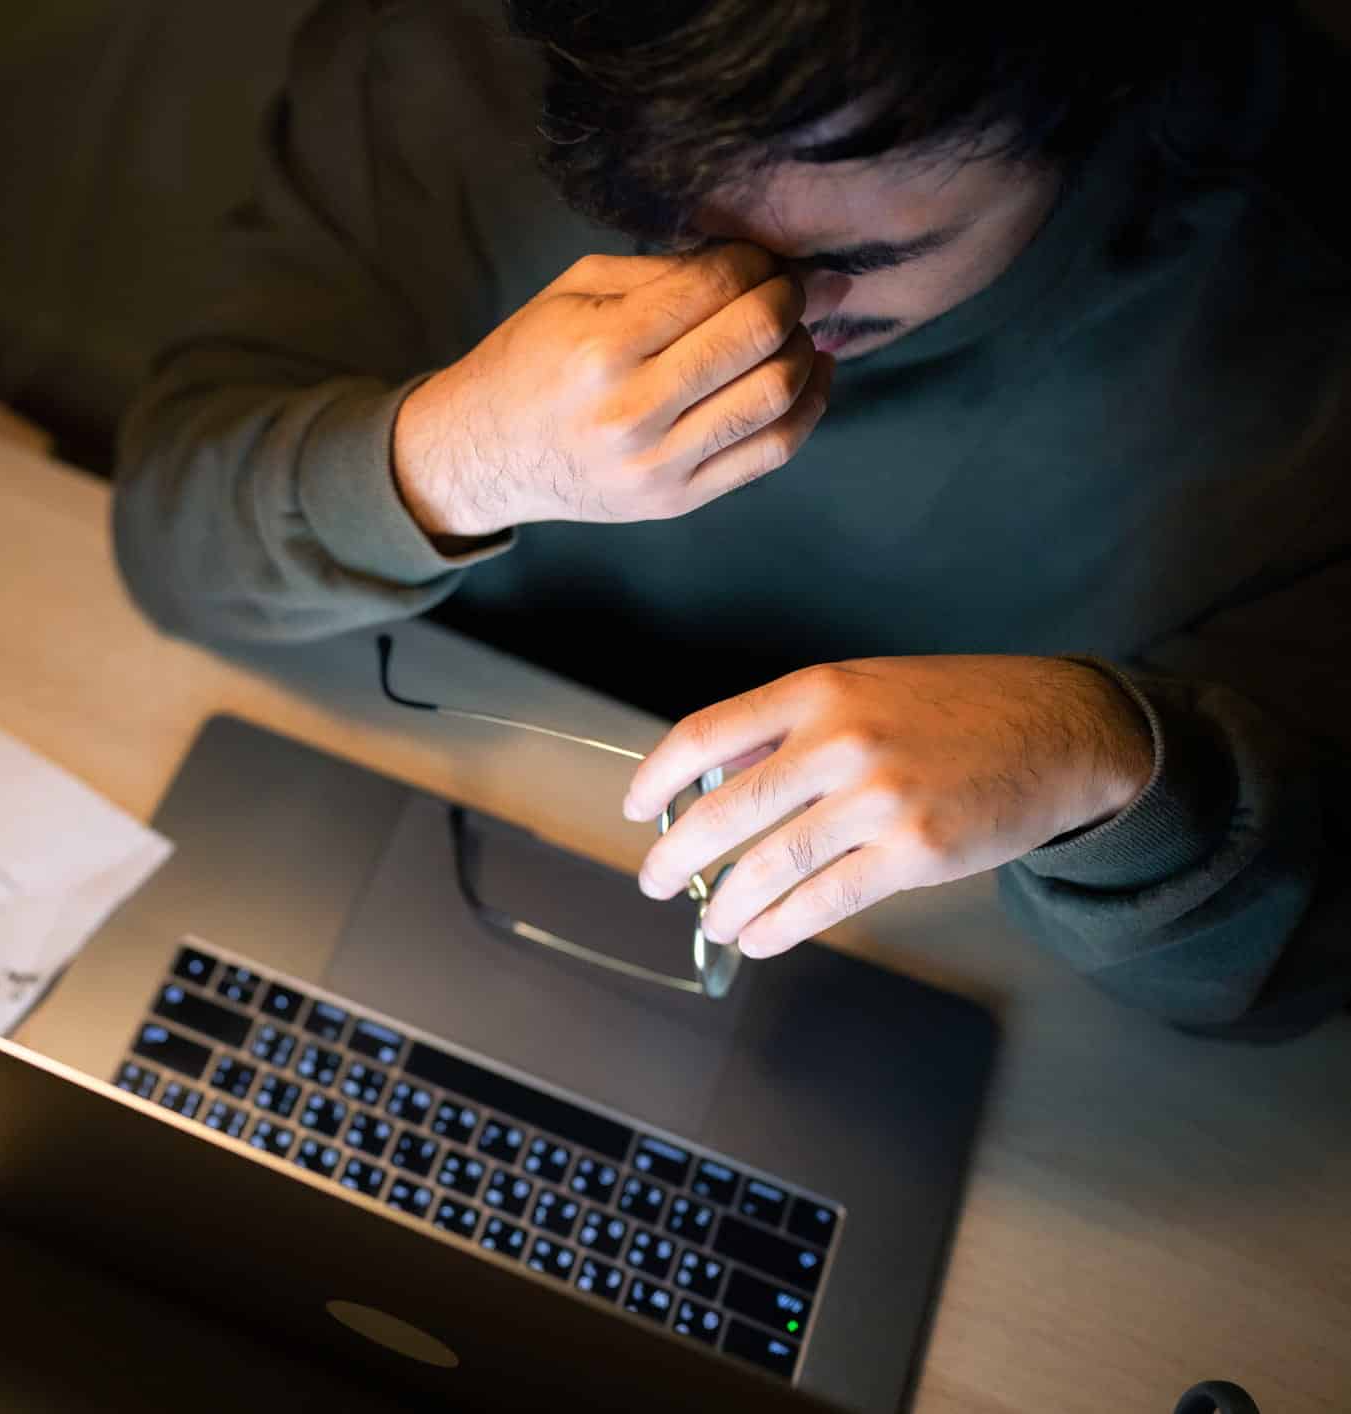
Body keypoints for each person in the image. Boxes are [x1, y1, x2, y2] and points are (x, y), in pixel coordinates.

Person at [112, 0, 1350, 1040]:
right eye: (671, 216)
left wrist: (1103, 756)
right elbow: (171, 543)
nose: (751, 303)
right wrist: (454, 459)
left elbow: (1309, 954)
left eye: (863, 256)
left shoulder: (1289, 295)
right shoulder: (461, 63)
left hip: (968, 998)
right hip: (425, 819)